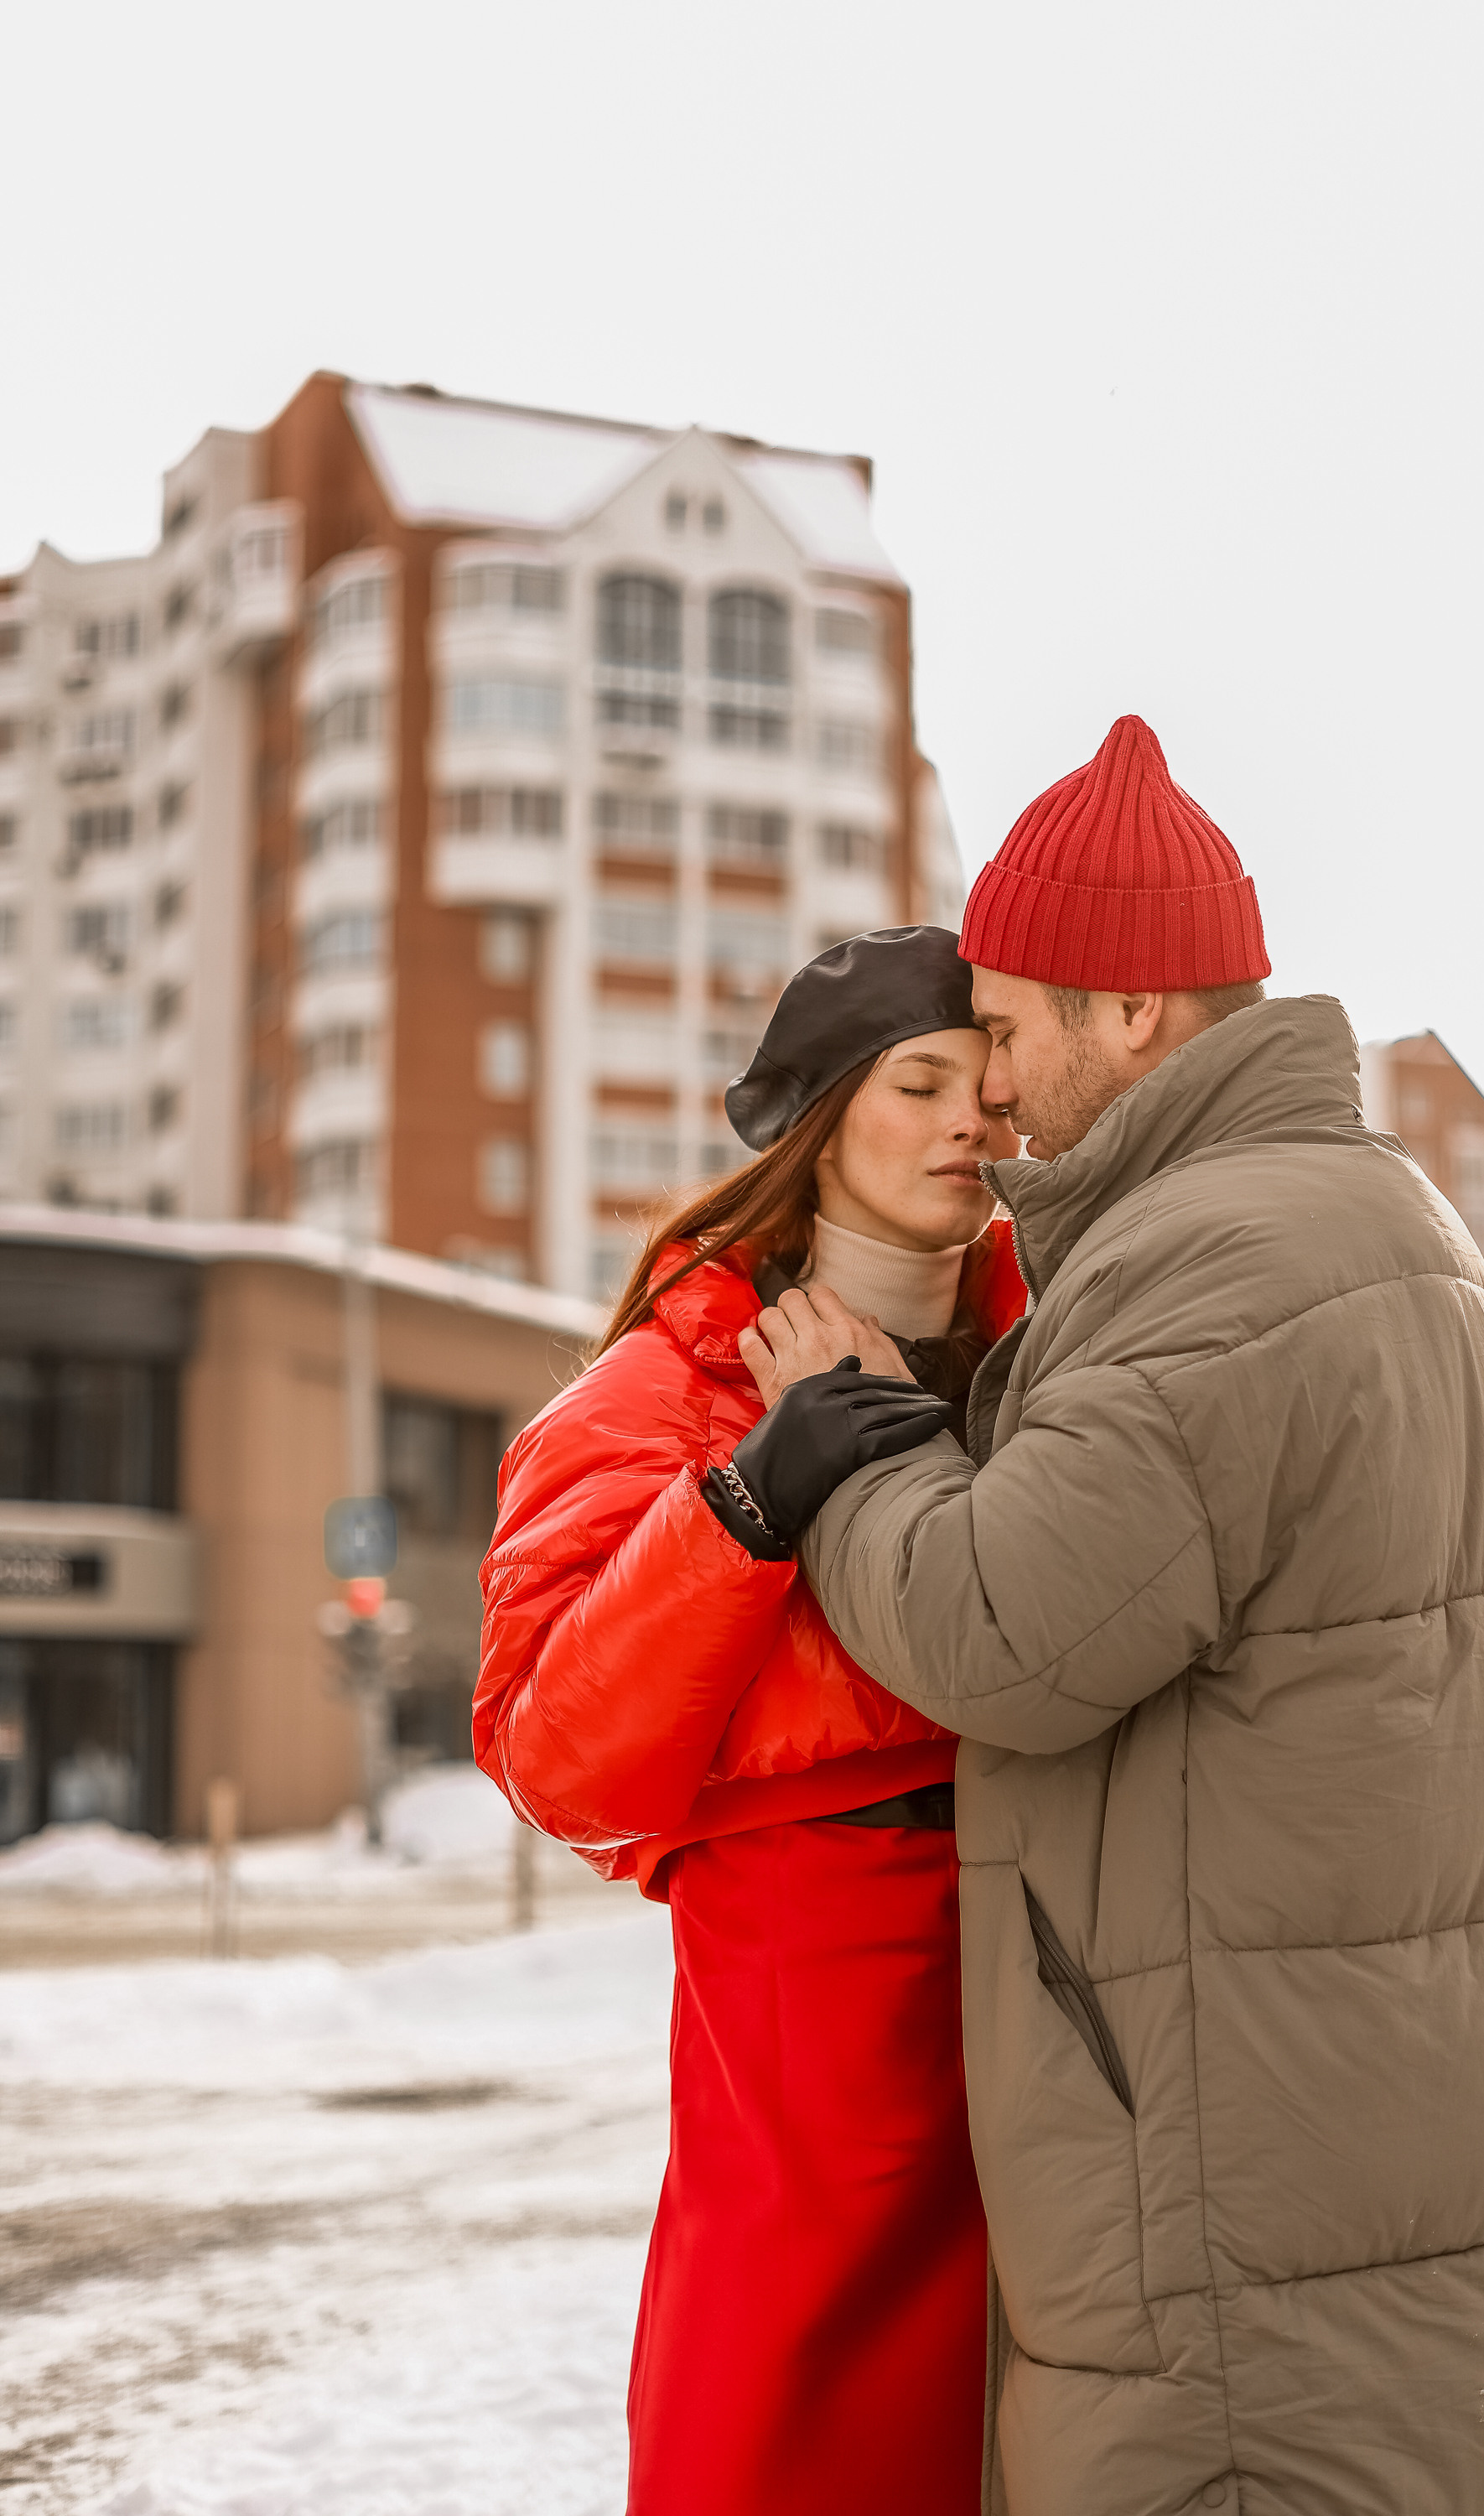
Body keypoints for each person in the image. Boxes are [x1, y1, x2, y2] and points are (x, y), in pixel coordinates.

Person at [734, 718, 1484, 2516]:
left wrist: (849, 1443)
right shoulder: (1369, 1217)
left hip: (1253, 2286)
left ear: (1129, 1014)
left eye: (1001, 1026)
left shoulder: (1225, 1259)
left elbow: (1008, 1630)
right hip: (1362, 2217)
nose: (986, 1089)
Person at [472, 927, 1027, 2516]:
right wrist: (745, 1506)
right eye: (917, 1084)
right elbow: (557, 1758)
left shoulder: (1049, 1349)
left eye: (986, 1084)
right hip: (815, 1969)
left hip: (1059, 1929)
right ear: (821, 1121)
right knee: (789, 2407)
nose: (967, 1122)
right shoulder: (656, 1392)